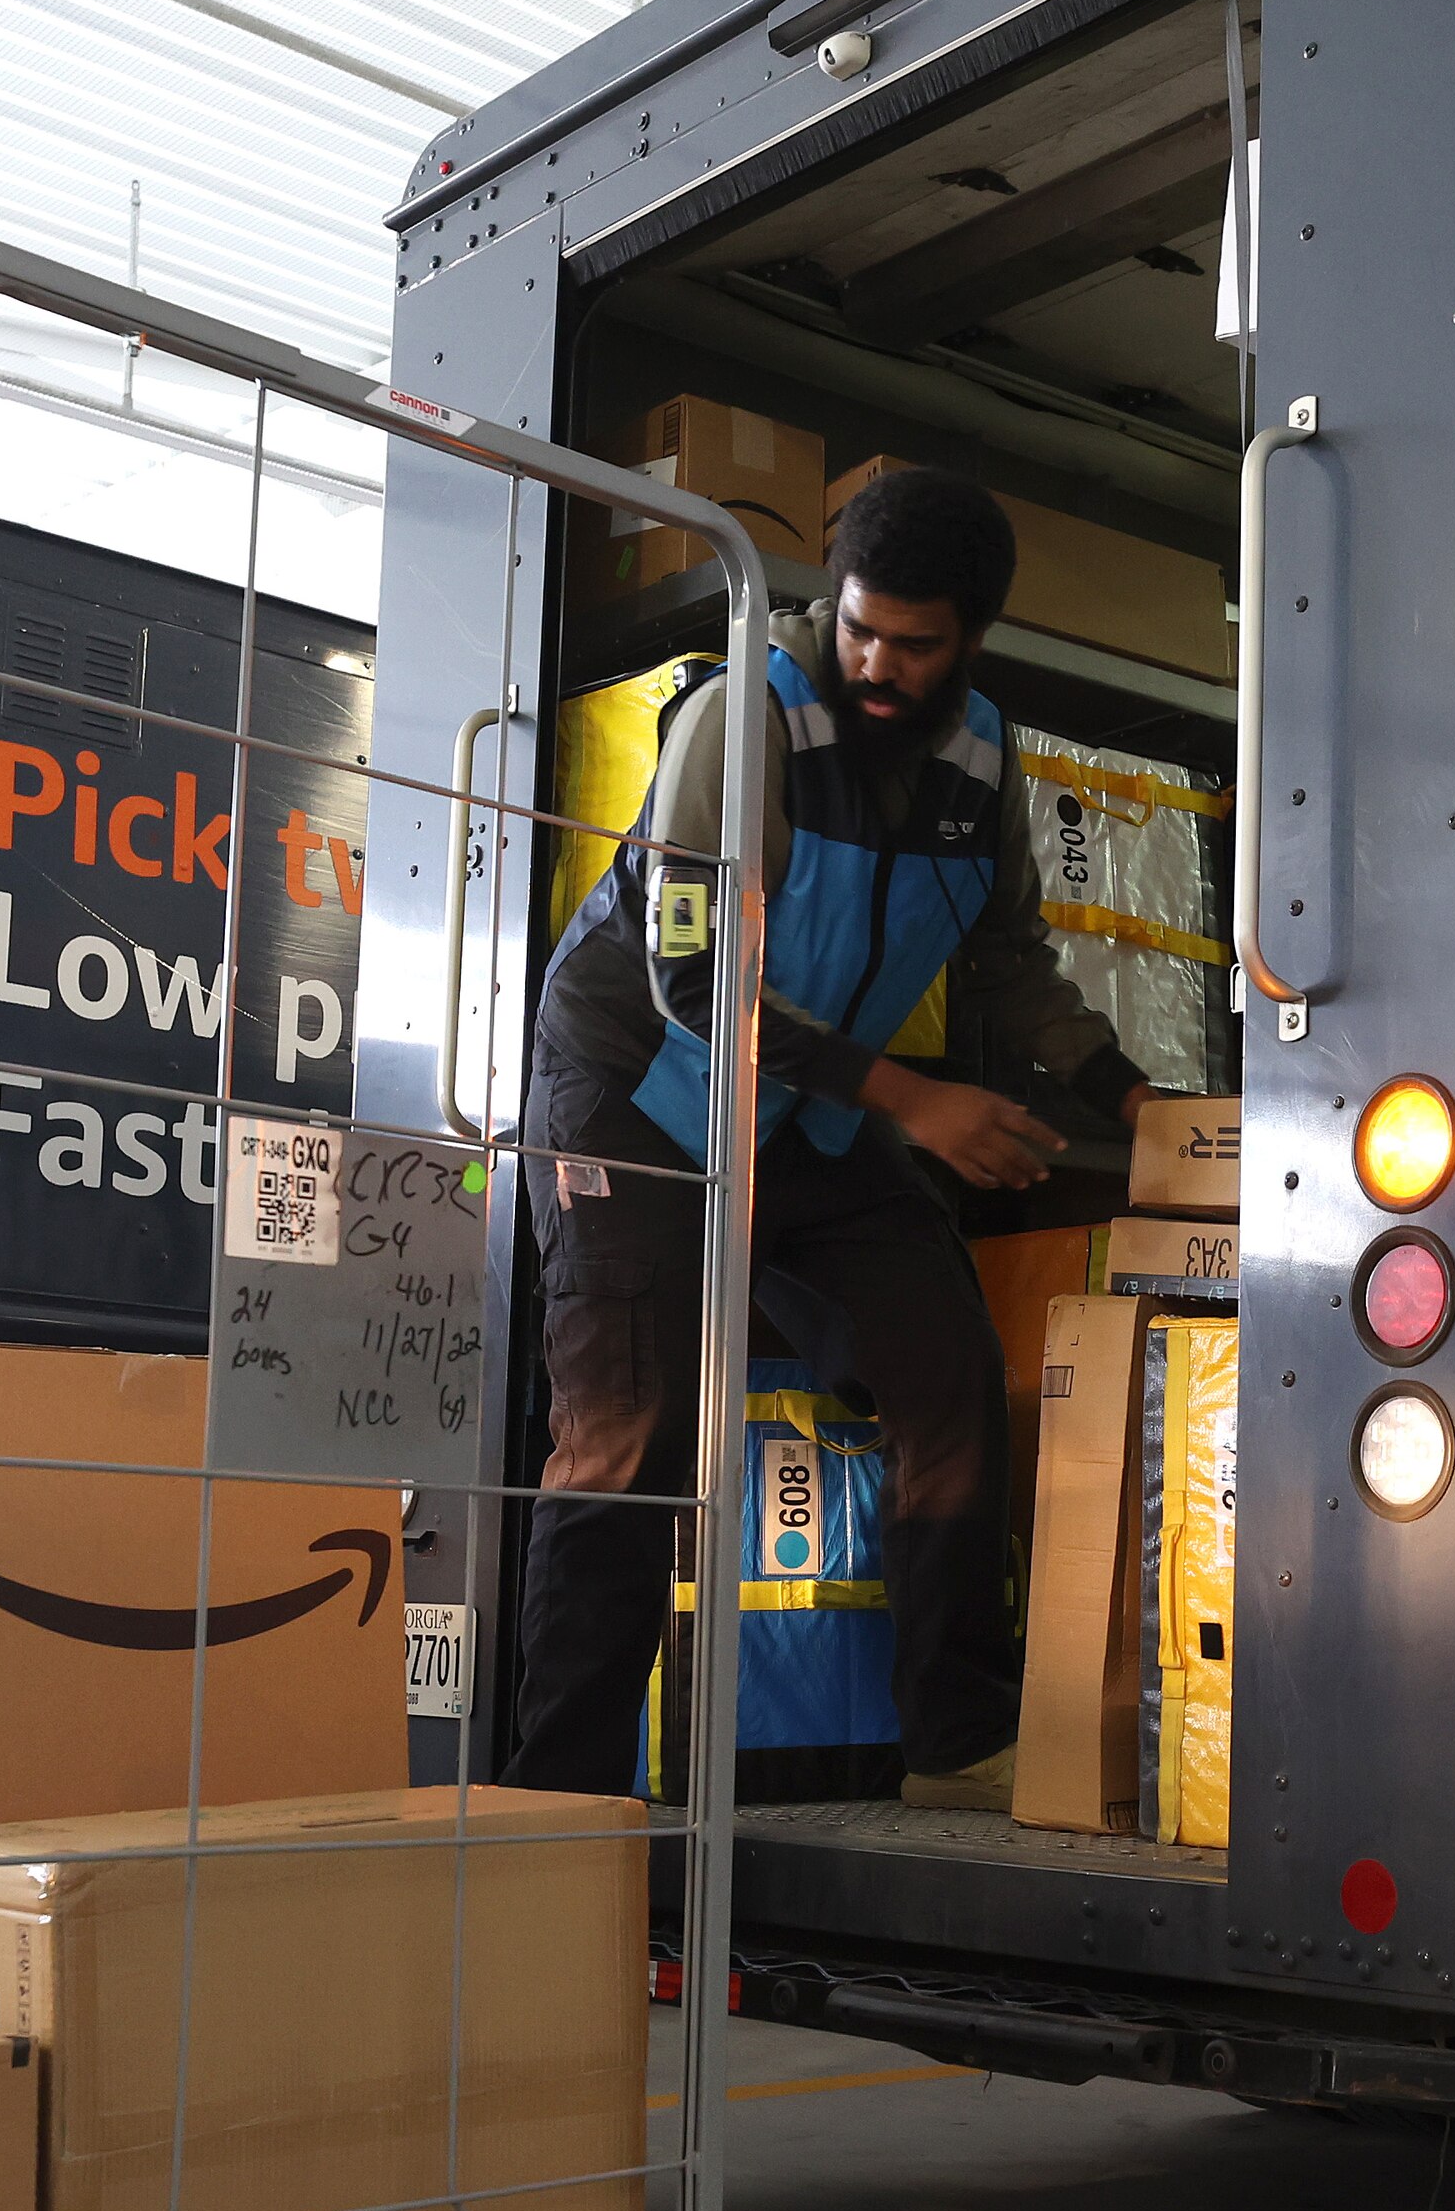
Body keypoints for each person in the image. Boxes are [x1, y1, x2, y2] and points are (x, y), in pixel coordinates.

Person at [506, 463, 1181, 1804]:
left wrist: (1138, 1102)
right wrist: (913, 1100)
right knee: (626, 1443)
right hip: (639, 1092)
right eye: (862, 627)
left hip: (805, 1111)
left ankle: (961, 1750)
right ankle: (559, 1811)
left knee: (947, 1370)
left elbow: (1007, 968)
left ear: (970, 641)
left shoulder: (981, 764)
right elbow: (693, 979)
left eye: (915, 645)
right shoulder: (739, 719)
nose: (879, 662)